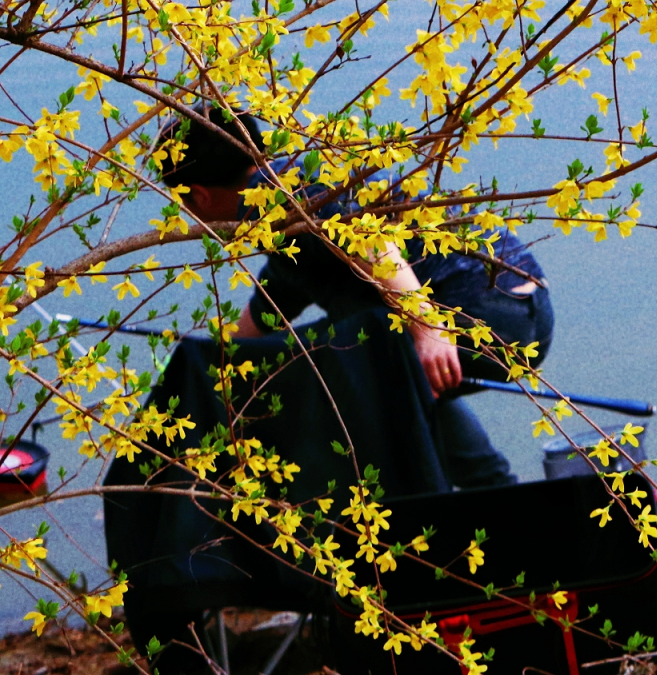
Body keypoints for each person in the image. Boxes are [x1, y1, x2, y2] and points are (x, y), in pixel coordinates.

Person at [158, 111, 555, 488]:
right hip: (523, 306)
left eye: (184, 205)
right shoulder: (282, 202)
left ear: (200, 196)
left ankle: (463, 492)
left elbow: (373, 244)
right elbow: (273, 301)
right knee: (381, 360)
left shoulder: (288, 190)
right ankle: (491, 487)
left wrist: (428, 328)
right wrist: (218, 367)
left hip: (485, 315)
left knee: (348, 359)